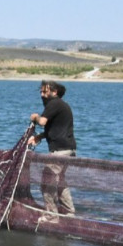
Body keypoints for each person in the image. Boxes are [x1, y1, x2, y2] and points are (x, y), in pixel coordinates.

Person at [28, 79, 76, 214]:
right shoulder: (61, 105)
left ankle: (52, 216)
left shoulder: (54, 103)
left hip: (59, 152)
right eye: (41, 92)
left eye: (45, 92)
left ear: (54, 92)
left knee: (46, 183)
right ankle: (69, 213)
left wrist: (35, 117)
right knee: (60, 182)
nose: (42, 95)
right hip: (69, 150)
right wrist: (39, 137)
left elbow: (42, 122)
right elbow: (56, 129)